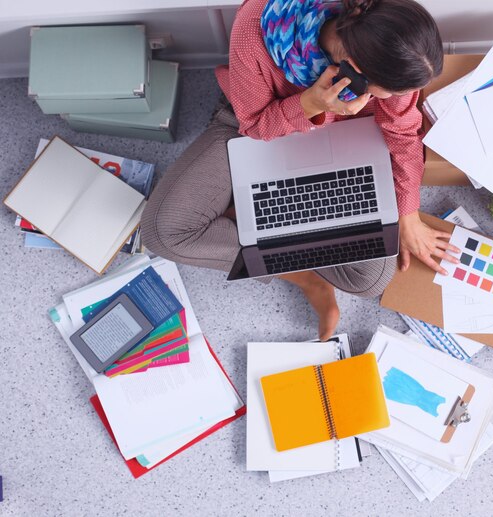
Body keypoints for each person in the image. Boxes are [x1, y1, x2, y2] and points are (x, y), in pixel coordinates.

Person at [141, 0, 460, 340]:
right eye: (397, 91)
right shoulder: (253, 30)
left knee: (368, 279)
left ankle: (260, 225)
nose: (406, 97)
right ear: (353, 69)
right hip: (257, 126)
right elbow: (254, 124)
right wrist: (309, 104)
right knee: (165, 234)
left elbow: (402, 132)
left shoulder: (388, 37)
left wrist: (408, 212)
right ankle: (304, 275)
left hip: (346, 142)